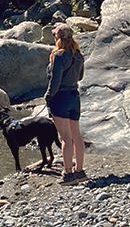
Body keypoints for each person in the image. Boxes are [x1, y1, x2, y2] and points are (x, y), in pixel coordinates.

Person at [44, 23, 86, 185]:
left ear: (58, 38)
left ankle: (68, 174)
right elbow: (80, 77)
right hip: (74, 97)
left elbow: (55, 82)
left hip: (60, 98)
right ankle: (80, 171)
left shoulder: (58, 56)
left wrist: (48, 97)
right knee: (76, 135)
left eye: (55, 36)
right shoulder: (79, 55)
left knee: (66, 139)